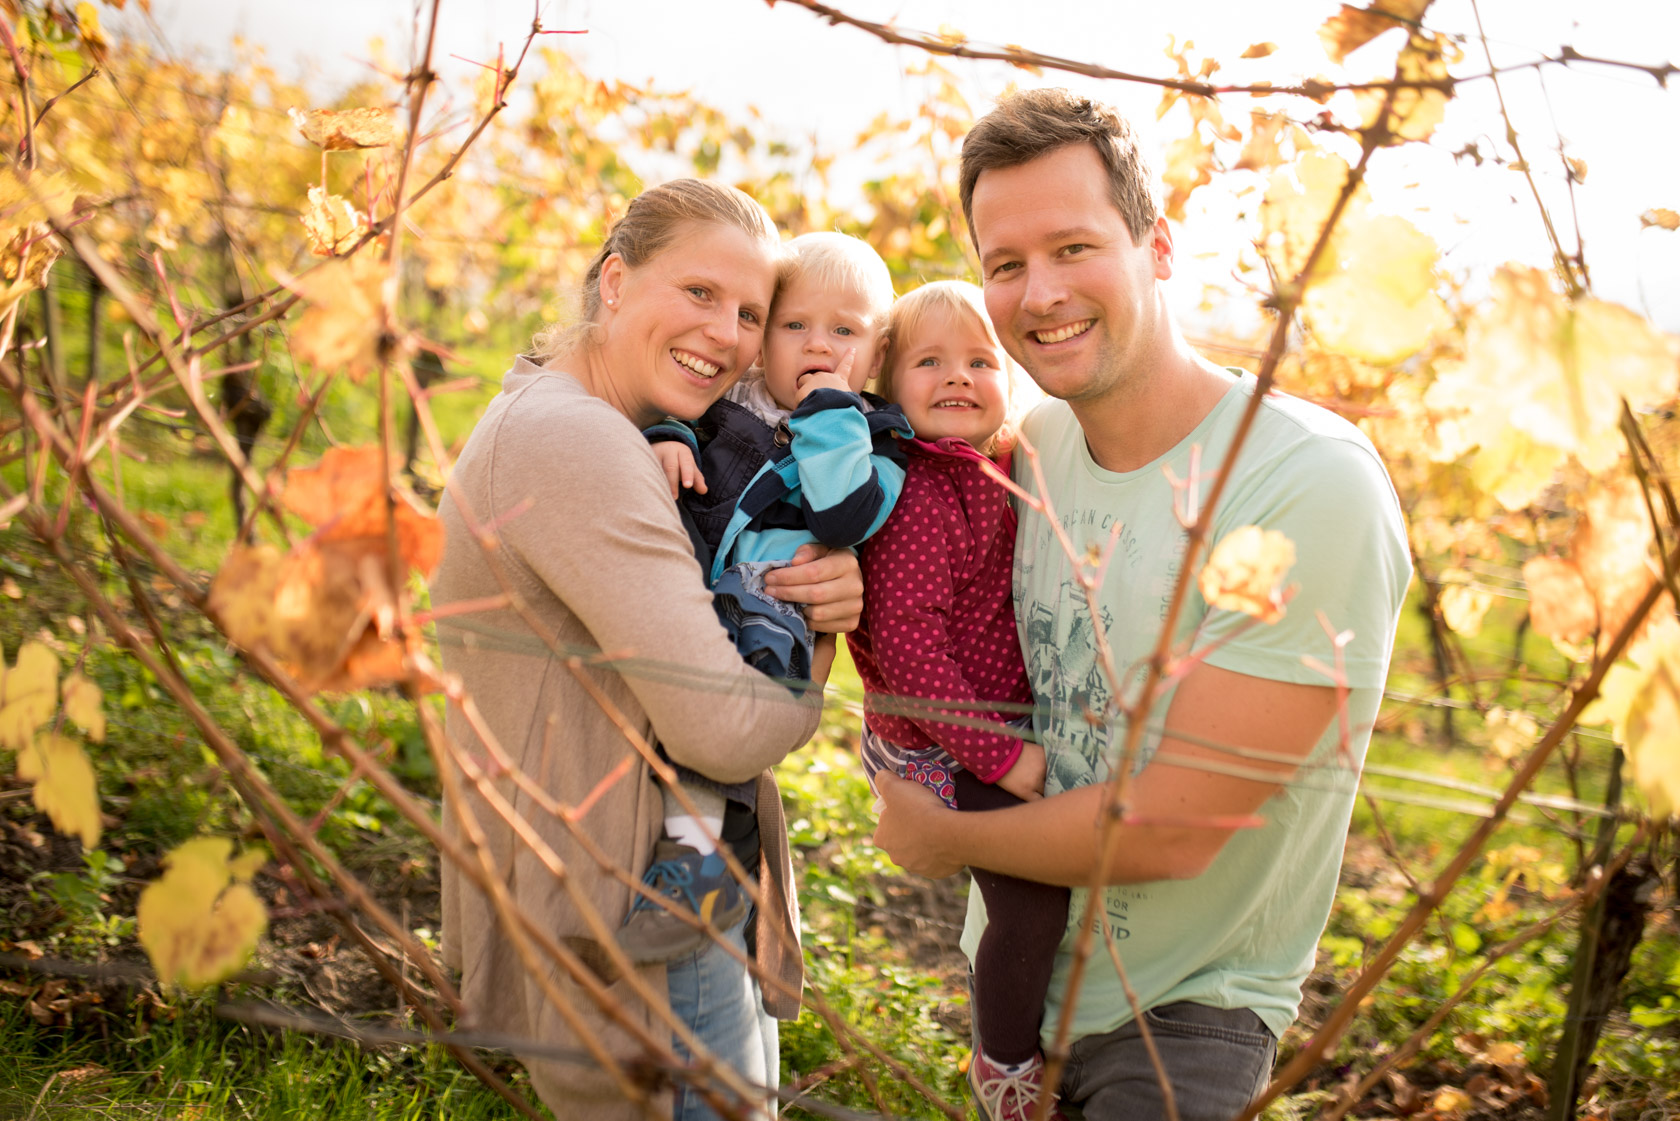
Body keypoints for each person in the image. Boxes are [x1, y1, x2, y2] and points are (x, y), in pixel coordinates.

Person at [871, 89, 1412, 1121]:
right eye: (1006, 262)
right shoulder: (1026, 449)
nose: (1040, 292)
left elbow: (1172, 828)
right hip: (1017, 985)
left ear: (1158, 246)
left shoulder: (1303, 484)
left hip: (1181, 1016)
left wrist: (948, 837)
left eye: (1075, 247)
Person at [431, 179, 865, 1121]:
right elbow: (722, 727)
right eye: (700, 293)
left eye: (752, 312)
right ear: (616, 281)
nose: (729, 333)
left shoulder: (601, 418)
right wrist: (817, 652)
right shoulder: (576, 440)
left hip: (663, 886)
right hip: (640, 924)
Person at [622, 232, 910, 963]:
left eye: (844, 331)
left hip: (770, 607)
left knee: (725, 736)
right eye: (796, 325)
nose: (818, 344)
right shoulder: (727, 401)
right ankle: (688, 845)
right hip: (686, 586)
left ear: (875, 355)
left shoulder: (874, 440)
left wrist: (830, 414)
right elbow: (673, 413)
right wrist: (668, 438)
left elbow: (843, 515)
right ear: (763, 340)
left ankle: (703, 865)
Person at [846, 280, 1072, 1121]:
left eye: (981, 360)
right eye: (929, 361)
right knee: (1030, 894)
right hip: (934, 740)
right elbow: (909, 656)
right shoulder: (914, 493)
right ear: (888, 384)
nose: (958, 377)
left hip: (975, 718)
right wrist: (1004, 756)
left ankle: (1031, 1016)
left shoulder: (989, 466)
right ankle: (1006, 1068)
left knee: (1039, 887)